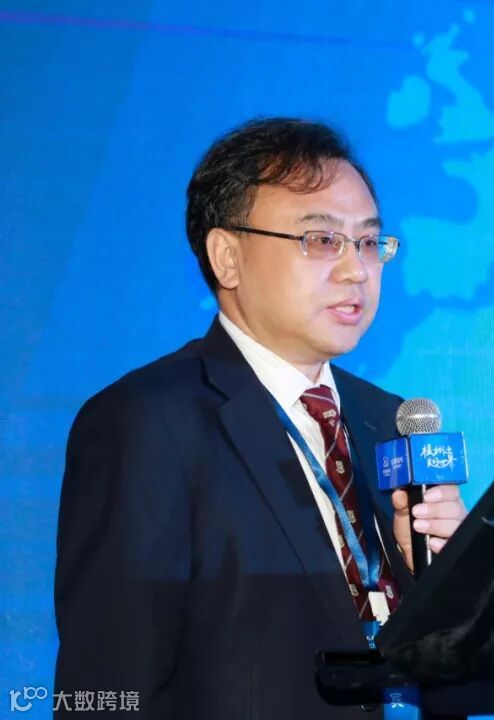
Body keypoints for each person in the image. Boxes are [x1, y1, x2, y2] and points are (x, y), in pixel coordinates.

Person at [54, 117, 466, 718]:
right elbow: (108, 685)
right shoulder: (147, 422)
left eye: (369, 242)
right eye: (321, 240)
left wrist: (436, 574)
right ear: (227, 257)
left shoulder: (389, 420)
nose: (356, 269)